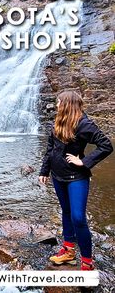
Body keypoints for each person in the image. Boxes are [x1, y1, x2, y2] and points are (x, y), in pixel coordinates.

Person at [39, 91, 113, 270]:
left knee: (78, 217)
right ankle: (68, 251)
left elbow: (106, 145)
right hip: (57, 176)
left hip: (76, 177)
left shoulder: (84, 124)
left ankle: (87, 262)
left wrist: (84, 161)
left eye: (58, 102)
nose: (56, 105)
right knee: (66, 212)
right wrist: (44, 170)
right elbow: (51, 148)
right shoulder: (57, 122)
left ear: (66, 104)